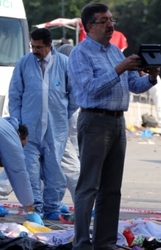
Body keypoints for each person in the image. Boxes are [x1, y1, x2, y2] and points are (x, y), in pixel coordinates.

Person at [67, 3, 161, 249]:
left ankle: (105, 242)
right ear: (90, 27)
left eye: (112, 20)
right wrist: (119, 68)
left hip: (118, 121)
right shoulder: (81, 53)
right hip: (94, 120)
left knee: (111, 189)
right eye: (104, 21)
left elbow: (134, 85)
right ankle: (82, 242)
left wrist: (151, 76)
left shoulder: (116, 51)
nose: (110, 25)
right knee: (88, 186)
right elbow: (89, 89)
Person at [9, 28, 77, 220]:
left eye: (39, 47)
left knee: (54, 170)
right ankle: (35, 208)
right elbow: (15, 96)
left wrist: (62, 115)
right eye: (32, 46)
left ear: (49, 46)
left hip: (56, 129)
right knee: (29, 170)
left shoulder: (64, 64)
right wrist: (17, 123)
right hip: (28, 128)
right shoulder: (24, 64)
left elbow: (74, 96)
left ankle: (52, 208)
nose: (35, 50)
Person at [0, 117, 44, 225]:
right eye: (22, 145)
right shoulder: (12, 139)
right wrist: (30, 210)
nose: (21, 148)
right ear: (19, 134)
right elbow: (19, 176)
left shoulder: (4, 126)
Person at [56, 44, 80, 208]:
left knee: (45, 170)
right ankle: (84, 205)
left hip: (62, 129)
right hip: (57, 129)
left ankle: (49, 203)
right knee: (73, 169)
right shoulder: (63, 76)